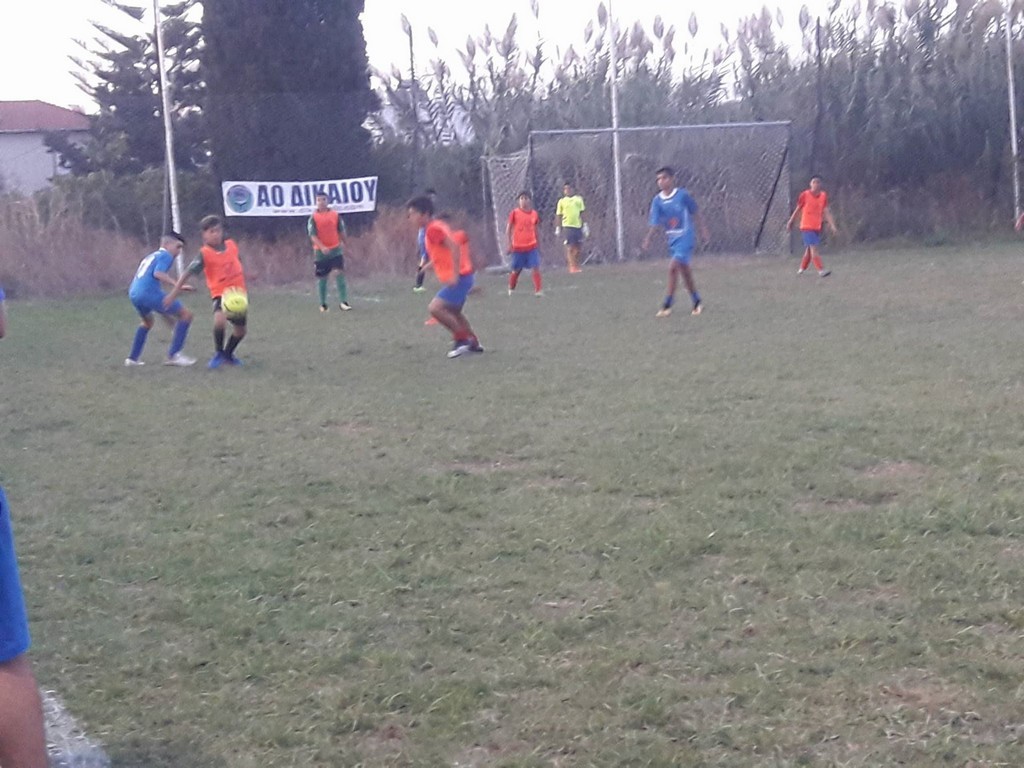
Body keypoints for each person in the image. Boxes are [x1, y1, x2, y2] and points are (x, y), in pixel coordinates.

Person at [166, 215, 248, 369]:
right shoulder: (204, 254)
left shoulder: (231, 245)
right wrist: (173, 293)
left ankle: (228, 355)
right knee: (219, 320)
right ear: (204, 235)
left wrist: (247, 274)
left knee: (240, 331)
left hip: (237, 294)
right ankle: (218, 354)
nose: (216, 234)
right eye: (211, 232)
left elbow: (237, 262)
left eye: (218, 230)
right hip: (220, 293)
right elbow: (187, 273)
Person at [406, 196, 484, 359]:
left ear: (424, 214)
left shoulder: (432, 230)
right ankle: (473, 343)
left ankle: (462, 341)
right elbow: (443, 252)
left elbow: (454, 247)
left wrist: (454, 275)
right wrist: (429, 265)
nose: (410, 218)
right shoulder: (435, 227)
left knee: (435, 308)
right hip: (464, 275)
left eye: (412, 214)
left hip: (460, 276)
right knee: (454, 312)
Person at [642, 166, 710, 318]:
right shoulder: (657, 201)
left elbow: (695, 212)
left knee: (673, 267)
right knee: (684, 271)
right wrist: (648, 238)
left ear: (672, 179)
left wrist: (703, 230)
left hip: (686, 237)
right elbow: (655, 222)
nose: (661, 182)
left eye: (664, 178)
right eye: (658, 179)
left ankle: (667, 304)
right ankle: (696, 301)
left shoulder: (682, 195)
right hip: (672, 239)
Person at [124, 232, 197, 367]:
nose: (179, 252)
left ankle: (132, 359)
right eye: (178, 247)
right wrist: (178, 285)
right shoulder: (166, 255)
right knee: (186, 315)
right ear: (167, 244)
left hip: (134, 293)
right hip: (148, 293)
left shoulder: (151, 256)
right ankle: (174, 355)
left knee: (147, 323)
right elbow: (158, 273)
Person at [307, 192, 352, 312]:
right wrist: (322, 247)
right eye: (318, 200)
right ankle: (323, 304)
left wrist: (346, 243)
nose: (321, 202)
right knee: (323, 277)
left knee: (339, 273)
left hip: (335, 249)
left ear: (327, 201)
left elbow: (341, 230)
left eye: (323, 199)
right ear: (316, 202)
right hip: (320, 253)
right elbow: (313, 236)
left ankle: (343, 302)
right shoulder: (313, 218)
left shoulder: (335, 215)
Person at [787, 175, 836, 277]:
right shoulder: (805, 195)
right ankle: (821, 270)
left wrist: (832, 225)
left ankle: (801, 269)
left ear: (820, 185)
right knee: (814, 249)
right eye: (814, 182)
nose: (816, 185)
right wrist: (791, 221)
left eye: (818, 182)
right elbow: (798, 208)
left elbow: (826, 211)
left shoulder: (823, 196)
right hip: (807, 226)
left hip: (816, 226)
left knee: (809, 250)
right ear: (810, 184)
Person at [506, 191, 544, 296]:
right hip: (518, 248)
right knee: (516, 269)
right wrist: (509, 244)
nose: (523, 201)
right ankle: (511, 287)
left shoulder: (534, 214)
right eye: (521, 199)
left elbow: (536, 230)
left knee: (535, 267)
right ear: (518, 201)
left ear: (530, 200)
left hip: (531, 246)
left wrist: (538, 244)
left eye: (526, 198)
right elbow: (508, 229)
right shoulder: (514, 213)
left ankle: (538, 290)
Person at [555, 182, 587, 273]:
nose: (567, 191)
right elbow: (559, 215)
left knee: (578, 247)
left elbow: (582, 212)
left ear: (573, 189)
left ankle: (576, 264)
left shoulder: (578, 199)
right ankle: (572, 266)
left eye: (569, 188)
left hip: (577, 225)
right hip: (567, 226)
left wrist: (585, 225)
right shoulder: (561, 201)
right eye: (565, 189)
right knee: (570, 247)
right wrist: (558, 227)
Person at [413, 188, 438, 294]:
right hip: (425, 236)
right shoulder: (425, 209)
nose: (434, 199)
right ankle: (418, 285)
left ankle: (419, 284)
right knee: (424, 259)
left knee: (427, 259)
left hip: (426, 235)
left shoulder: (430, 209)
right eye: (432, 197)